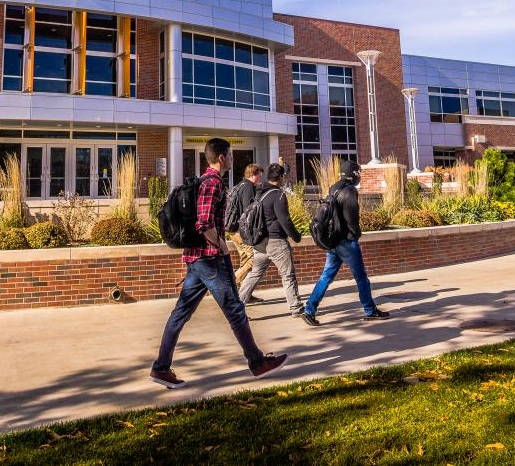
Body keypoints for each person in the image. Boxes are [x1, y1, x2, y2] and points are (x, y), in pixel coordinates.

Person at [150, 138, 288, 389]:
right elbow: (203, 223)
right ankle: (257, 363)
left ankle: (161, 368)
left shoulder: (204, 181)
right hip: (209, 259)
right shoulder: (213, 183)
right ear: (222, 157)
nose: (234, 158)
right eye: (231, 154)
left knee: (180, 313)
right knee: (235, 310)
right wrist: (221, 246)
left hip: (196, 259)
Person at [300, 160, 390, 325]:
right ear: (353, 174)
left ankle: (309, 310)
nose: (359, 176)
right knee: (361, 277)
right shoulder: (349, 190)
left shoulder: (334, 188)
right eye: (358, 173)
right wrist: (356, 234)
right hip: (346, 242)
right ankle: (370, 310)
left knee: (326, 277)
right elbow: (351, 219)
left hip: (333, 241)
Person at [238, 163, 304, 316]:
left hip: (260, 241)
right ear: (281, 177)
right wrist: (296, 236)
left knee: (254, 274)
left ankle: (237, 307)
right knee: (288, 275)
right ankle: (296, 308)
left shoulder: (259, 192)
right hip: (276, 241)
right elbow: (284, 220)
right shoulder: (278, 195)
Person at [226, 163, 266, 302]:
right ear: (253, 174)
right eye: (259, 175)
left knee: (245, 260)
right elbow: (248, 212)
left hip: (233, 230)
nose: (260, 178)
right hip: (241, 231)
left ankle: (245, 295)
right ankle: (230, 286)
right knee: (252, 260)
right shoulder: (248, 187)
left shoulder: (239, 185)